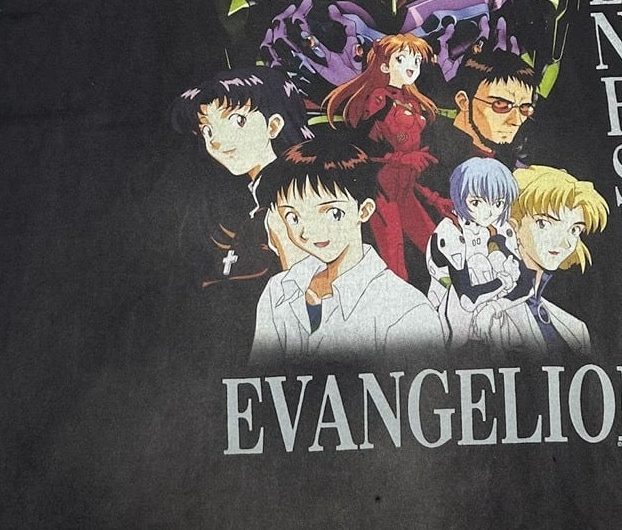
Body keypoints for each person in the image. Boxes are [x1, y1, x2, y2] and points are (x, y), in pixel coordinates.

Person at [249, 135, 445, 365]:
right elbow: (261, 375)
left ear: (364, 210)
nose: (309, 231)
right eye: (293, 217)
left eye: (332, 213)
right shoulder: (279, 290)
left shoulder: (405, 308)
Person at [322, 34, 451, 281]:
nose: (411, 66)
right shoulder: (379, 99)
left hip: (405, 191)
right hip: (380, 192)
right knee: (395, 263)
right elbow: (360, 147)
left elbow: (408, 178)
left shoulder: (411, 100)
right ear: (384, 66)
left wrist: (433, 198)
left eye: (416, 60)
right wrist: (400, 159)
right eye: (402, 59)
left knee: (438, 249)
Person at [170, 67, 314, 288]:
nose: (217, 140)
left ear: (273, 125)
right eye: (207, 130)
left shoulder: (299, 195)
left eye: (237, 120)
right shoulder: (249, 199)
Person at [490, 164, 608, 358]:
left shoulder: (575, 328)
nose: (563, 242)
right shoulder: (488, 315)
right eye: (544, 223)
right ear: (512, 225)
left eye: (574, 229)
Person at [425, 157, 522, 352]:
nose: (488, 212)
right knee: (480, 262)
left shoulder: (501, 227)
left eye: (498, 203)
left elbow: (525, 285)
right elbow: (466, 299)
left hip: (494, 310)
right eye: (477, 202)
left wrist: (494, 307)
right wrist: (504, 281)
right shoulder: (451, 231)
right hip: (448, 313)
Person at [426, 46, 539, 183]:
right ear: (463, 102)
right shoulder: (431, 152)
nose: (516, 120)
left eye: (524, 108)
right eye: (500, 104)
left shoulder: (504, 159)